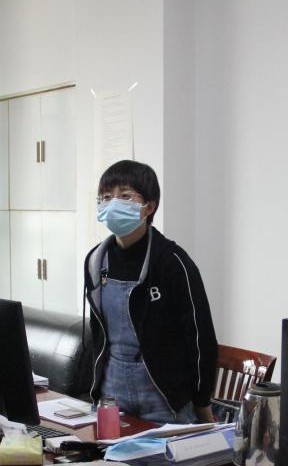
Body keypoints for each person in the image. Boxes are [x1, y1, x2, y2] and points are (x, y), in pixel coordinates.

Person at [84, 160, 218, 424]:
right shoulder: (96, 261)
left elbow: (200, 338)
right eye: (106, 197)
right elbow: (98, 334)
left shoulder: (173, 262)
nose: (113, 203)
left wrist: (202, 404)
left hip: (164, 401)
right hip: (112, 396)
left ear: (150, 206)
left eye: (125, 196)